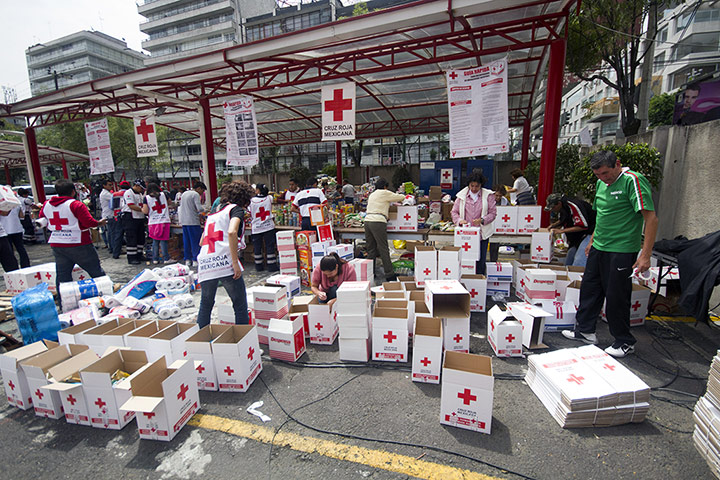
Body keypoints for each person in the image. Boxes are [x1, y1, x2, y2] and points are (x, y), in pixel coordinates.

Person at [562, 151, 658, 358]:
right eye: (598, 175)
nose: (603, 178)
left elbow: (651, 219)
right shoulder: (600, 184)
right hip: (599, 247)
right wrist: (593, 240)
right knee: (590, 288)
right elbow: (602, 215)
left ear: (617, 164)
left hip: (621, 249)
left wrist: (645, 255)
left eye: (606, 173)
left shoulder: (632, 181)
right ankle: (585, 331)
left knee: (616, 296)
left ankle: (624, 341)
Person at [196, 181, 255, 328]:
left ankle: (199, 341)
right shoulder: (236, 210)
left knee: (206, 304)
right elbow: (232, 232)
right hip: (225, 262)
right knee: (240, 305)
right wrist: (235, 262)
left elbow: (202, 241)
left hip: (205, 263)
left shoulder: (213, 213)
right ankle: (242, 343)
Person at [39, 179, 107, 299]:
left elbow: (42, 219)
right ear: (73, 191)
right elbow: (88, 222)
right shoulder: (76, 205)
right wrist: (99, 223)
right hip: (79, 243)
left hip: (58, 243)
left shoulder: (47, 204)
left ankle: (64, 302)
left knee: (63, 276)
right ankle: (107, 296)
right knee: (96, 272)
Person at [451, 172, 497, 275]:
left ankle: (479, 281)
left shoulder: (488, 195)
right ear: (468, 184)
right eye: (472, 185)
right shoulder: (461, 196)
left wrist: (483, 220)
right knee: (465, 261)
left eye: (477, 186)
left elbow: (493, 213)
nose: (474, 188)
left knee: (480, 261)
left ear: (481, 185)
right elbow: (454, 212)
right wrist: (459, 221)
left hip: (481, 234)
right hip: (465, 235)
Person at [364, 177, 405, 282]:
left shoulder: (372, 194)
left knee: (371, 250)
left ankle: (369, 273)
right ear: (385, 186)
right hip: (378, 222)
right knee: (383, 249)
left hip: (367, 221)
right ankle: (389, 275)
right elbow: (400, 197)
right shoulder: (384, 192)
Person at [545, 193, 596, 267]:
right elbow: (564, 219)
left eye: (553, 207)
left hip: (589, 233)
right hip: (577, 238)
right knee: (568, 262)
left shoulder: (574, 206)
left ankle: (577, 277)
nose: (553, 210)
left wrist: (561, 231)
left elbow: (583, 226)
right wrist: (553, 225)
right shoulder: (563, 208)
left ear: (559, 203)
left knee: (579, 262)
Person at [249, 183, 278, 272]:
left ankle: (259, 266)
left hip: (256, 227)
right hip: (268, 226)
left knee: (257, 247)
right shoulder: (269, 198)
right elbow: (277, 199)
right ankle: (271, 265)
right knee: (270, 246)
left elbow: (249, 211)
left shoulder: (252, 200)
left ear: (258, 190)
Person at [142, 183, 171, 265]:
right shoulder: (164, 194)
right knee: (163, 241)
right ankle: (166, 258)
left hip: (153, 223)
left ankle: (155, 259)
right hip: (164, 220)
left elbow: (145, 211)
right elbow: (169, 203)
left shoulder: (146, 198)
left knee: (155, 241)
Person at [179, 181, 207, 267]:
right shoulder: (195, 194)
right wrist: (206, 210)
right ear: (199, 188)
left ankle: (187, 259)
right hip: (193, 221)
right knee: (195, 241)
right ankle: (195, 259)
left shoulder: (184, 194)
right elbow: (199, 208)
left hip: (184, 221)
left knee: (186, 241)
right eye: (202, 191)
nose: (202, 193)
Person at [122, 179, 147, 265]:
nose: (142, 190)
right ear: (136, 185)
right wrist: (143, 210)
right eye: (141, 188)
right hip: (130, 217)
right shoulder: (128, 193)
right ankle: (132, 257)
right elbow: (131, 205)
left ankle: (139, 254)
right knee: (132, 238)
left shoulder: (140, 194)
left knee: (141, 237)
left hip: (139, 217)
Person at [0, 204, 30, 268]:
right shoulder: (17, 204)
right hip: (17, 229)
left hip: (6, 230)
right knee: (20, 249)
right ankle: (25, 265)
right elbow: (22, 216)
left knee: (10, 253)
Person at [109, 181, 130, 259]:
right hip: (128, 216)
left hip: (117, 216)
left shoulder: (114, 195)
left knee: (118, 235)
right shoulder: (129, 194)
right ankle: (131, 253)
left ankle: (116, 253)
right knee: (129, 235)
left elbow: (111, 207)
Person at [98, 179, 115, 251]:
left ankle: (111, 247)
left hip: (109, 214)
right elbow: (114, 199)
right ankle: (112, 247)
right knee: (111, 232)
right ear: (104, 185)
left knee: (110, 232)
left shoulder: (107, 193)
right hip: (108, 215)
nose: (111, 186)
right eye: (109, 185)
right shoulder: (106, 194)